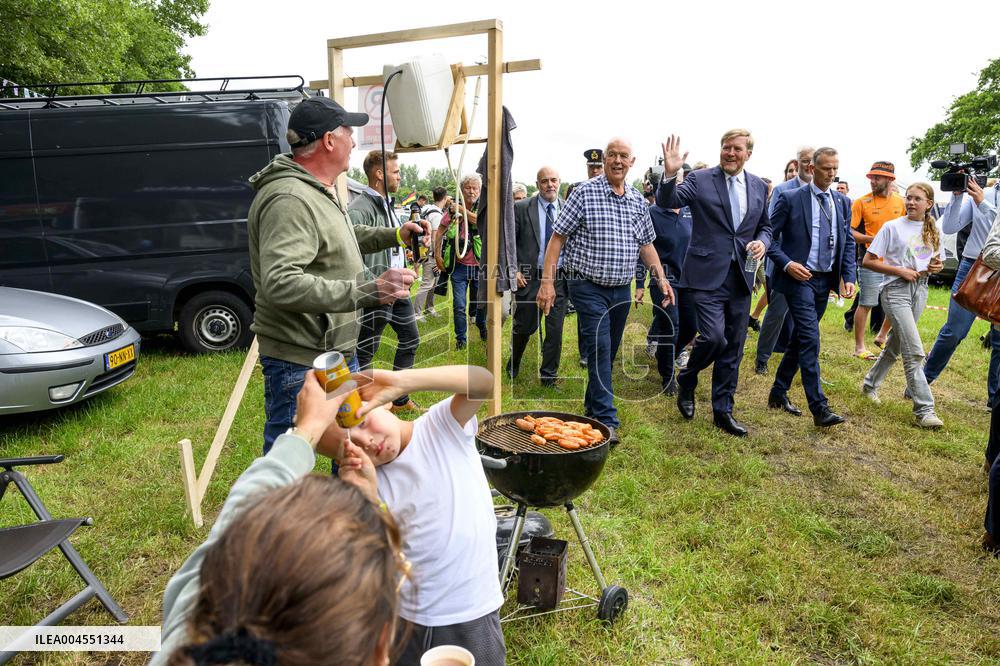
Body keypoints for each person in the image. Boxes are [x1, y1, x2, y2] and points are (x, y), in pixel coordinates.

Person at [151, 372, 407, 666]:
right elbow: (235, 520)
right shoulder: (192, 620)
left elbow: (235, 521)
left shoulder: (186, 634)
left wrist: (306, 431)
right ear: (379, 651)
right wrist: (370, 503)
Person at [247, 96, 422, 453]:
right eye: (349, 133)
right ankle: (279, 511)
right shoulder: (289, 198)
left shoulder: (317, 189)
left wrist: (394, 234)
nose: (354, 142)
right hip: (301, 360)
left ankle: (344, 509)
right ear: (329, 140)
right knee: (291, 456)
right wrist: (367, 289)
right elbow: (280, 282)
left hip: (331, 352)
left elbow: (341, 238)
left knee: (348, 443)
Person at [331, 364, 505, 666]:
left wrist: (402, 382)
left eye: (363, 423)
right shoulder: (370, 478)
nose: (368, 442)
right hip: (407, 618)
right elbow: (374, 554)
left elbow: (482, 381)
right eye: (353, 446)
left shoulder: (440, 427)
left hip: (473, 609)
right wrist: (368, 496)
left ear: (384, 404)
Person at [538, 138, 674, 439]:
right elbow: (557, 238)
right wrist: (547, 282)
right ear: (605, 160)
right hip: (587, 285)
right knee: (599, 347)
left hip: (620, 289)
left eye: (623, 156)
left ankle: (591, 403)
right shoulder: (584, 193)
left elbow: (646, 245)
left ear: (632, 162)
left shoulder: (638, 201)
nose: (617, 161)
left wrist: (661, 278)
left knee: (608, 351)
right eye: (612, 155)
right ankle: (606, 418)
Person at [658, 130, 771, 437]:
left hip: (741, 277)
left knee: (733, 347)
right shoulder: (700, 179)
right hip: (705, 273)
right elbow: (669, 200)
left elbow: (765, 227)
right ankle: (688, 377)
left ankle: (723, 411)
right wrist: (670, 175)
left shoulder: (759, 186)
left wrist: (762, 242)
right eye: (726, 148)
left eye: (737, 149)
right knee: (713, 337)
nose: (730, 153)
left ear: (748, 153)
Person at [765, 148, 857, 426]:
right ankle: (819, 407)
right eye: (826, 168)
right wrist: (787, 264)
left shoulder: (842, 202)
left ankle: (778, 392)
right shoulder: (792, 198)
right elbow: (770, 237)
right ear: (812, 168)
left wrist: (848, 275)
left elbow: (848, 241)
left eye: (834, 169)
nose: (831, 174)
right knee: (811, 339)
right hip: (798, 278)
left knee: (800, 339)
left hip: (824, 280)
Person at [861, 183, 945, 428]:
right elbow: (868, 261)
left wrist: (935, 267)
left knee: (896, 346)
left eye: (917, 199)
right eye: (908, 198)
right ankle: (925, 411)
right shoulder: (892, 227)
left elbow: (936, 261)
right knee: (914, 349)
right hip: (895, 290)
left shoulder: (933, 229)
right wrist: (899, 270)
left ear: (928, 203)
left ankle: (869, 384)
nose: (911, 202)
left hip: (921, 289)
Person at [350, 150, 422, 413]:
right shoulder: (359, 209)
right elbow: (351, 251)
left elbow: (394, 243)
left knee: (411, 339)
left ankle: (399, 400)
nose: (400, 177)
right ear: (379, 174)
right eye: (396, 171)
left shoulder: (388, 205)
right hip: (376, 290)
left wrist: (406, 265)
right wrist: (372, 286)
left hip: (397, 290)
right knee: (367, 349)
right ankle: (365, 406)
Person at [922, 177, 1000, 408]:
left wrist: (982, 204)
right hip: (973, 265)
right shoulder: (984, 192)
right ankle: (923, 379)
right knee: (955, 330)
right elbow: (949, 227)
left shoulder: (983, 198)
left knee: (999, 340)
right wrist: (957, 197)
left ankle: (995, 400)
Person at [635, 164, 697, 394]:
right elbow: (641, 250)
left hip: (690, 279)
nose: (678, 186)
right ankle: (668, 376)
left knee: (692, 326)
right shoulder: (652, 213)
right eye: (674, 182)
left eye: (681, 181)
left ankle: (664, 352)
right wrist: (640, 284)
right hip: (663, 279)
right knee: (672, 324)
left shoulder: (690, 211)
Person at [753, 146, 814, 373]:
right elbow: (771, 230)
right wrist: (785, 263)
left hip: (812, 268)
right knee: (777, 313)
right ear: (797, 165)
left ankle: (801, 362)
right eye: (805, 161)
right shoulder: (783, 190)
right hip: (783, 266)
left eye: (812, 161)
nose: (809, 165)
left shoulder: (821, 193)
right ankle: (762, 359)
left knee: (806, 318)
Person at [509, 166, 567, 386]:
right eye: (544, 181)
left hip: (558, 277)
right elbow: (509, 242)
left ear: (559, 181)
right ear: (537, 184)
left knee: (555, 329)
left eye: (553, 180)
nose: (550, 185)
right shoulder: (521, 208)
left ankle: (548, 376)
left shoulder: (567, 208)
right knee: (525, 326)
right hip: (528, 276)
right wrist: (512, 269)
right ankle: (514, 362)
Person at [850, 161, 906, 360]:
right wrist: (871, 239)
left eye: (877, 177)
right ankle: (859, 347)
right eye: (871, 177)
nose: (872, 181)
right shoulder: (861, 202)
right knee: (867, 303)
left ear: (890, 179)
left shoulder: (902, 202)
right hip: (871, 260)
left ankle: (882, 336)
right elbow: (850, 231)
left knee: (895, 302)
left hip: (895, 262)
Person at [435, 174, 486, 349]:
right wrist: (437, 255)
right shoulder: (451, 210)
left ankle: (482, 327)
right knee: (459, 305)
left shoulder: (483, 207)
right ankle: (461, 340)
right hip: (459, 266)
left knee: (481, 304)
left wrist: (461, 209)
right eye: (468, 188)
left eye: (475, 188)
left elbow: (480, 220)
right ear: (462, 190)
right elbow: (440, 230)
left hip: (480, 266)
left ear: (480, 191)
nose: (471, 191)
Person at [413, 186, 449, 320]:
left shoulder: (426, 210)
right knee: (427, 283)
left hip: (424, 251)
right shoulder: (437, 215)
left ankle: (429, 307)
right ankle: (416, 314)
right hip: (431, 254)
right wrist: (436, 256)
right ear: (445, 198)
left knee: (434, 282)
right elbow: (435, 237)